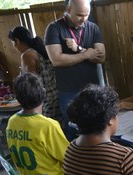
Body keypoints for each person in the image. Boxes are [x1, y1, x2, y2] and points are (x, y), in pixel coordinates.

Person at [44, 0, 105, 141]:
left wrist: (79, 49)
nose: (83, 19)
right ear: (69, 9)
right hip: (68, 91)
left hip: (92, 89)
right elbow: (57, 60)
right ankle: (74, 161)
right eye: (79, 15)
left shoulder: (93, 28)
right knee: (72, 130)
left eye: (87, 15)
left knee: (98, 127)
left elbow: (101, 57)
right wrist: (85, 54)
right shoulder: (54, 28)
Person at [6, 72, 69, 175]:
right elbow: (68, 157)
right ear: (43, 94)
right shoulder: (48, 126)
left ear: (17, 98)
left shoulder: (12, 121)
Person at [8, 26, 61, 122]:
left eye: (13, 43)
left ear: (17, 41)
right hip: (55, 97)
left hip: (44, 103)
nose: (14, 47)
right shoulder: (41, 49)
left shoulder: (27, 55)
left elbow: (31, 85)